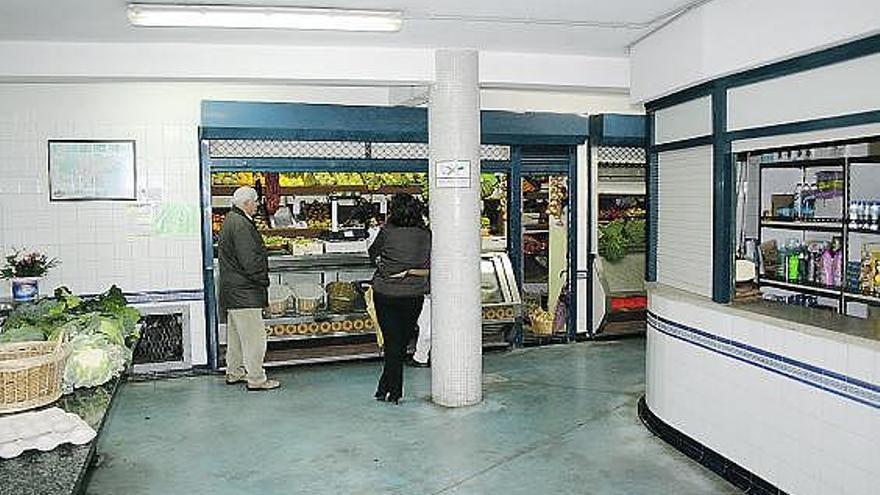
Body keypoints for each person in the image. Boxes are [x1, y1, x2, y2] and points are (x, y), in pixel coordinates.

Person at [369, 193, 431, 404]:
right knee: (401, 342)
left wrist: (388, 266)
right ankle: (384, 387)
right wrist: (410, 271)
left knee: (392, 342)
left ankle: (393, 391)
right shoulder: (426, 234)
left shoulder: (387, 232)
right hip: (414, 295)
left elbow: (372, 255)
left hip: (386, 293)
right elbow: (432, 262)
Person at [218, 186, 280, 391]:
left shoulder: (231, 219)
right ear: (246, 203)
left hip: (233, 291)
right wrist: (263, 281)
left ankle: (234, 372)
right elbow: (250, 261)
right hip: (245, 291)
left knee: (236, 337)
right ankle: (256, 379)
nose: (257, 206)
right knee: (255, 338)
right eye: (255, 202)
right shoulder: (242, 225)